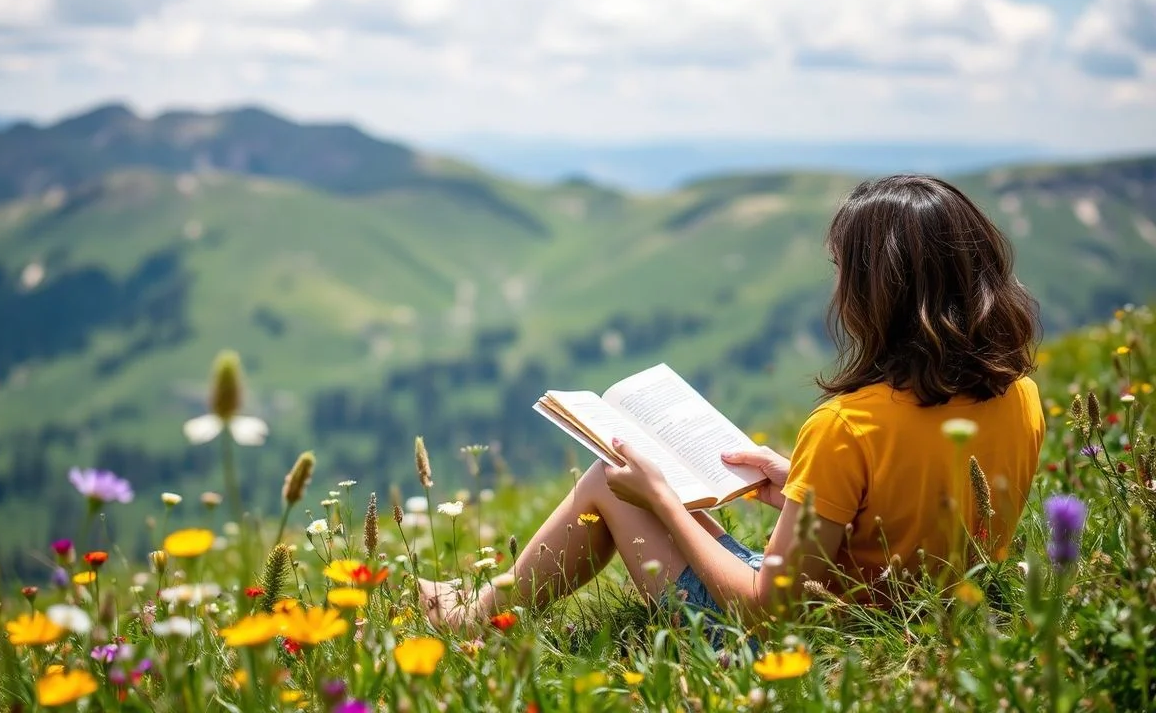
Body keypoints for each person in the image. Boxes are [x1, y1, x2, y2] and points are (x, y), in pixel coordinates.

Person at [419, 174, 1044, 631]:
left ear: (875, 292)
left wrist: (661, 496)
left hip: (809, 639)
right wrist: (798, 488)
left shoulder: (847, 426)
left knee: (612, 482)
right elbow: (916, 519)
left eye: (843, 273)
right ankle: (478, 604)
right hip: (922, 614)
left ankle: (473, 619)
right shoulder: (1023, 396)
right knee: (626, 483)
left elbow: (765, 615)